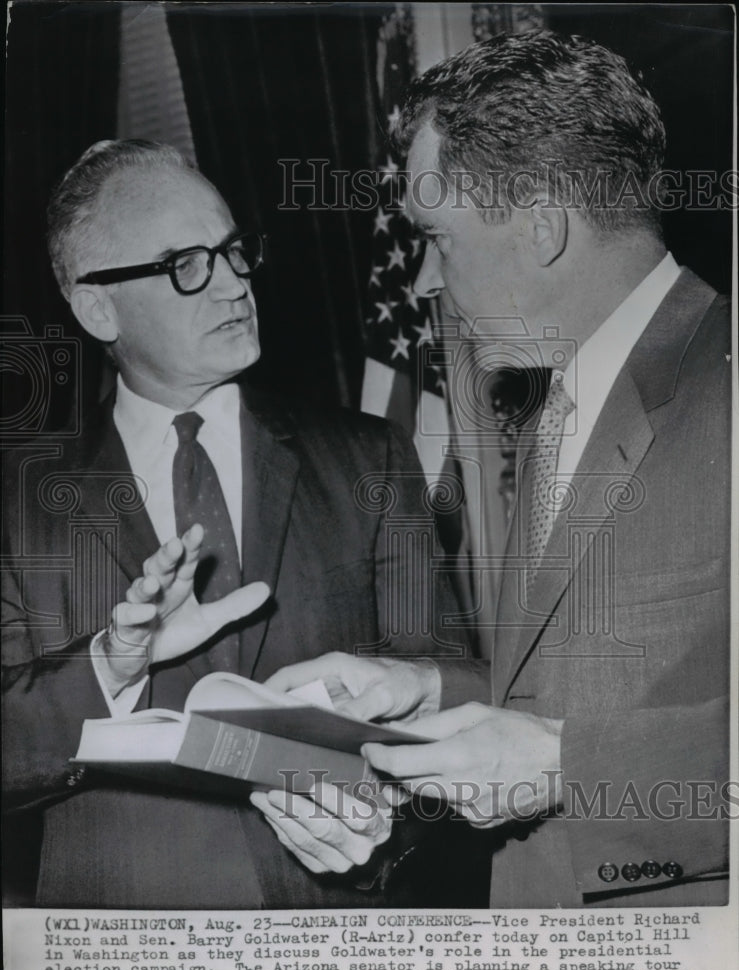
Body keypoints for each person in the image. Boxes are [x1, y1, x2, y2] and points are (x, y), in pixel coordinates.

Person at [253, 30, 731, 907]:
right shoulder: (558, 406)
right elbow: (558, 698)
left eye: (437, 236)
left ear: (543, 227)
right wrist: (423, 692)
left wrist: (563, 768)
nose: (426, 279)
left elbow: (559, 747)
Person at [1, 139, 468, 908]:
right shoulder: (18, 496)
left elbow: (457, 689)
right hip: (130, 950)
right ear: (95, 307)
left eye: (232, 251)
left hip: (346, 929)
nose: (232, 286)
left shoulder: (366, 456)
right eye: (186, 264)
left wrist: (386, 835)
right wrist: (111, 669)